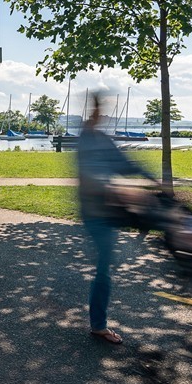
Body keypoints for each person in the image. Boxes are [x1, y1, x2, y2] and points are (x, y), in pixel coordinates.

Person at [77, 92, 152, 345]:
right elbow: (88, 176)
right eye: (99, 108)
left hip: (110, 209)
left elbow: (125, 164)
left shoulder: (101, 139)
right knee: (105, 267)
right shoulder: (86, 140)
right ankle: (98, 326)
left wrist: (155, 179)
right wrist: (113, 189)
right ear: (92, 111)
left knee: (156, 220)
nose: (102, 114)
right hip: (95, 214)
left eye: (105, 109)